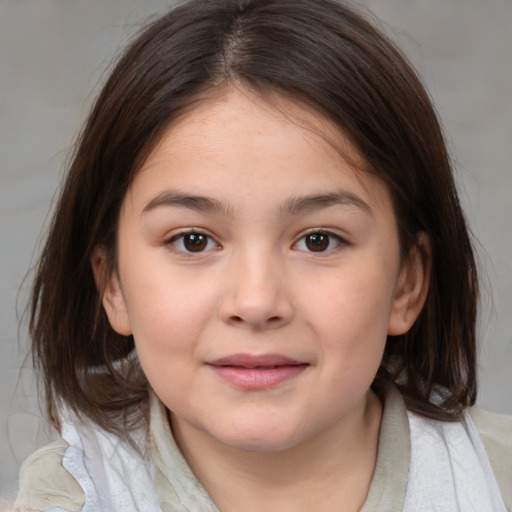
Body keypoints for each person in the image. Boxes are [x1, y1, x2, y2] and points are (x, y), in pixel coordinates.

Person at [12, 0, 512, 510]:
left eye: (319, 240)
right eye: (193, 240)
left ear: (407, 283)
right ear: (112, 284)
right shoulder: (69, 497)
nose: (255, 302)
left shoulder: (495, 481)